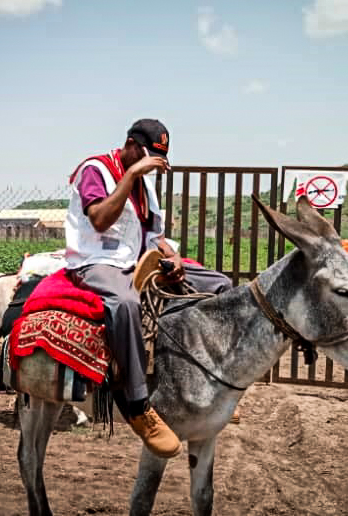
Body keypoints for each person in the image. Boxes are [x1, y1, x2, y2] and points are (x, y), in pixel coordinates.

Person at [64, 118, 232, 458]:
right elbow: (99, 219)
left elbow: (154, 235)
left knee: (221, 286)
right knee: (125, 302)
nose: (152, 166)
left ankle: (207, 380)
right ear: (131, 144)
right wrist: (131, 175)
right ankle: (139, 406)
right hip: (96, 261)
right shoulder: (94, 169)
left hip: (139, 260)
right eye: (148, 156)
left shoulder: (146, 186)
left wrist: (173, 257)